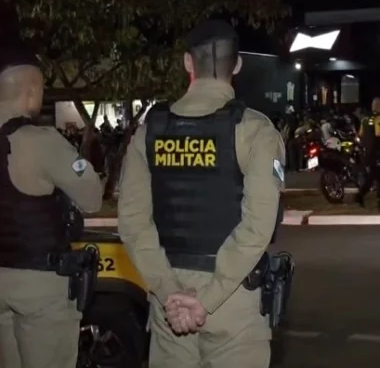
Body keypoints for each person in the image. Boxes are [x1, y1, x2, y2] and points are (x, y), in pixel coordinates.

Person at [118, 19, 284, 368]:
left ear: (187, 63)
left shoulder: (148, 132)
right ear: (237, 64)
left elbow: (133, 224)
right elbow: (258, 227)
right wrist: (205, 300)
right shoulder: (255, 131)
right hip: (233, 300)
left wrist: (169, 294)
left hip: (171, 303)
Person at [0, 48, 103, 368]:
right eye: (42, 89)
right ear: (32, 89)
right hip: (40, 286)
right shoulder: (38, 140)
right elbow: (92, 198)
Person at [356, 97, 380, 210]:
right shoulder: (378, 119)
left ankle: (360, 195)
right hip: (378, 153)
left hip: (367, 153)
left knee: (372, 177)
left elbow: (360, 134)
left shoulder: (365, 119)